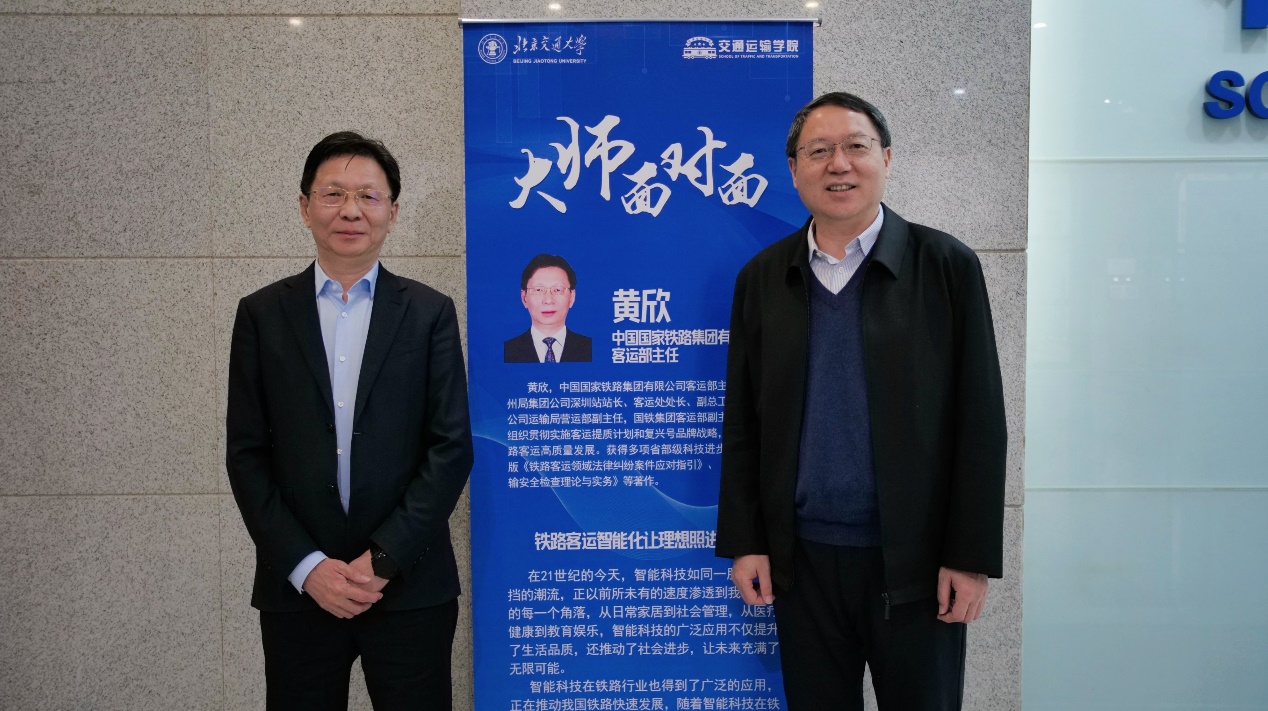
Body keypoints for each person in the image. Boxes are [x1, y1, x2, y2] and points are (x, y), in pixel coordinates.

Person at [715, 92, 1007, 710]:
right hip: (802, 564)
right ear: (794, 169)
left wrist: (969, 556)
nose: (838, 164)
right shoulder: (763, 278)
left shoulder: (946, 266)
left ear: (887, 158)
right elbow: (742, 423)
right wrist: (747, 541)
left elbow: (981, 420)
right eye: (818, 151)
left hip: (919, 566)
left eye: (856, 146)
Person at [226, 131, 473, 710]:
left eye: (368, 195)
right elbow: (246, 455)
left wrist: (382, 560)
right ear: (305, 206)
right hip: (300, 589)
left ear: (393, 212)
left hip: (409, 585)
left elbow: (450, 448)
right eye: (333, 193)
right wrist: (308, 567)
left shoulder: (429, 313)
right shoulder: (262, 314)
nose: (351, 210)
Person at [503, 253, 592, 362]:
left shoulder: (591, 349)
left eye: (557, 290)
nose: (548, 300)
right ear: (524, 298)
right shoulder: (506, 351)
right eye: (538, 290)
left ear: (572, 297)